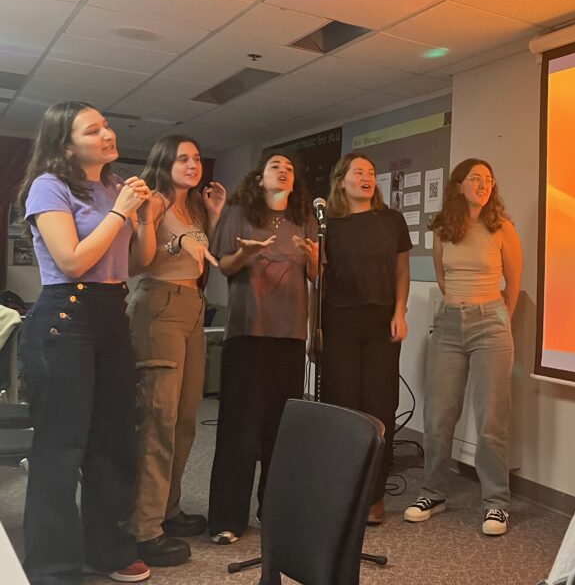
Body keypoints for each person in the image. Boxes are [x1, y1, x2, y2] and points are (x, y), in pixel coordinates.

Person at [16, 101, 153, 583]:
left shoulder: (115, 187)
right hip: (65, 318)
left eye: (107, 125)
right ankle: (53, 565)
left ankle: (110, 550)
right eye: (92, 129)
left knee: (114, 440)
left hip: (112, 315)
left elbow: (135, 263)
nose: (107, 133)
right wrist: (120, 212)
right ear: (66, 144)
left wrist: (146, 217)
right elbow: (72, 261)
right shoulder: (48, 186)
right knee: (62, 445)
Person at [404, 158, 522, 536]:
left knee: (491, 420)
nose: (483, 184)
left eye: (489, 179)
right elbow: (442, 277)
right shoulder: (444, 229)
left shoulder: (503, 228)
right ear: (458, 185)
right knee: (438, 416)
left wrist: (498, 317)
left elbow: (514, 284)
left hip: (492, 324)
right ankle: (432, 492)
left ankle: (496, 504)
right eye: (475, 178)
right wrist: (459, 308)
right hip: (450, 323)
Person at [206, 153, 317, 544]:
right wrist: (247, 252)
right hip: (248, 333)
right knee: (239, 427)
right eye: (275, 165)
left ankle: (275, 511)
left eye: (289, 166)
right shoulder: (238, 213)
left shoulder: (305, 217)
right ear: (259, 178)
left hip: (289, 335)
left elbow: (316, 274)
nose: (283, 170)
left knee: (281, 429)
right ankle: (226, 518)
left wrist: (315, 259)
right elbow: (224, 267)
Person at [126, 136, 226, 565]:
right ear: (164, 162)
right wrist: (174, 244)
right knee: (157, 420)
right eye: (182, 158)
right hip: (159, 305)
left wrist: (215, 218)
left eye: (197, 158)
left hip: (192, 309)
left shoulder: (194, 206)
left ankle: (167, 508)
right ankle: (143, 527)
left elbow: (200, 259)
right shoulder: (155, 202)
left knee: (186, 421)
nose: (192, 164)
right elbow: (138, 262)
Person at [318, 153, 411, 525]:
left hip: (381, 323)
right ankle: (341, 488)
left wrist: (400, 312)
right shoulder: (329, 224)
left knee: (380, 406)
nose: (366, 177)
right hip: (338, 321)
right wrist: (315, 331)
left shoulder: (392, 220)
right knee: (342, 404)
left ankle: (374, 495)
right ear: (342, 181)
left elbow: (402, 270)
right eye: (358, 172)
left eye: (371, 172)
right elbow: (318, 281)